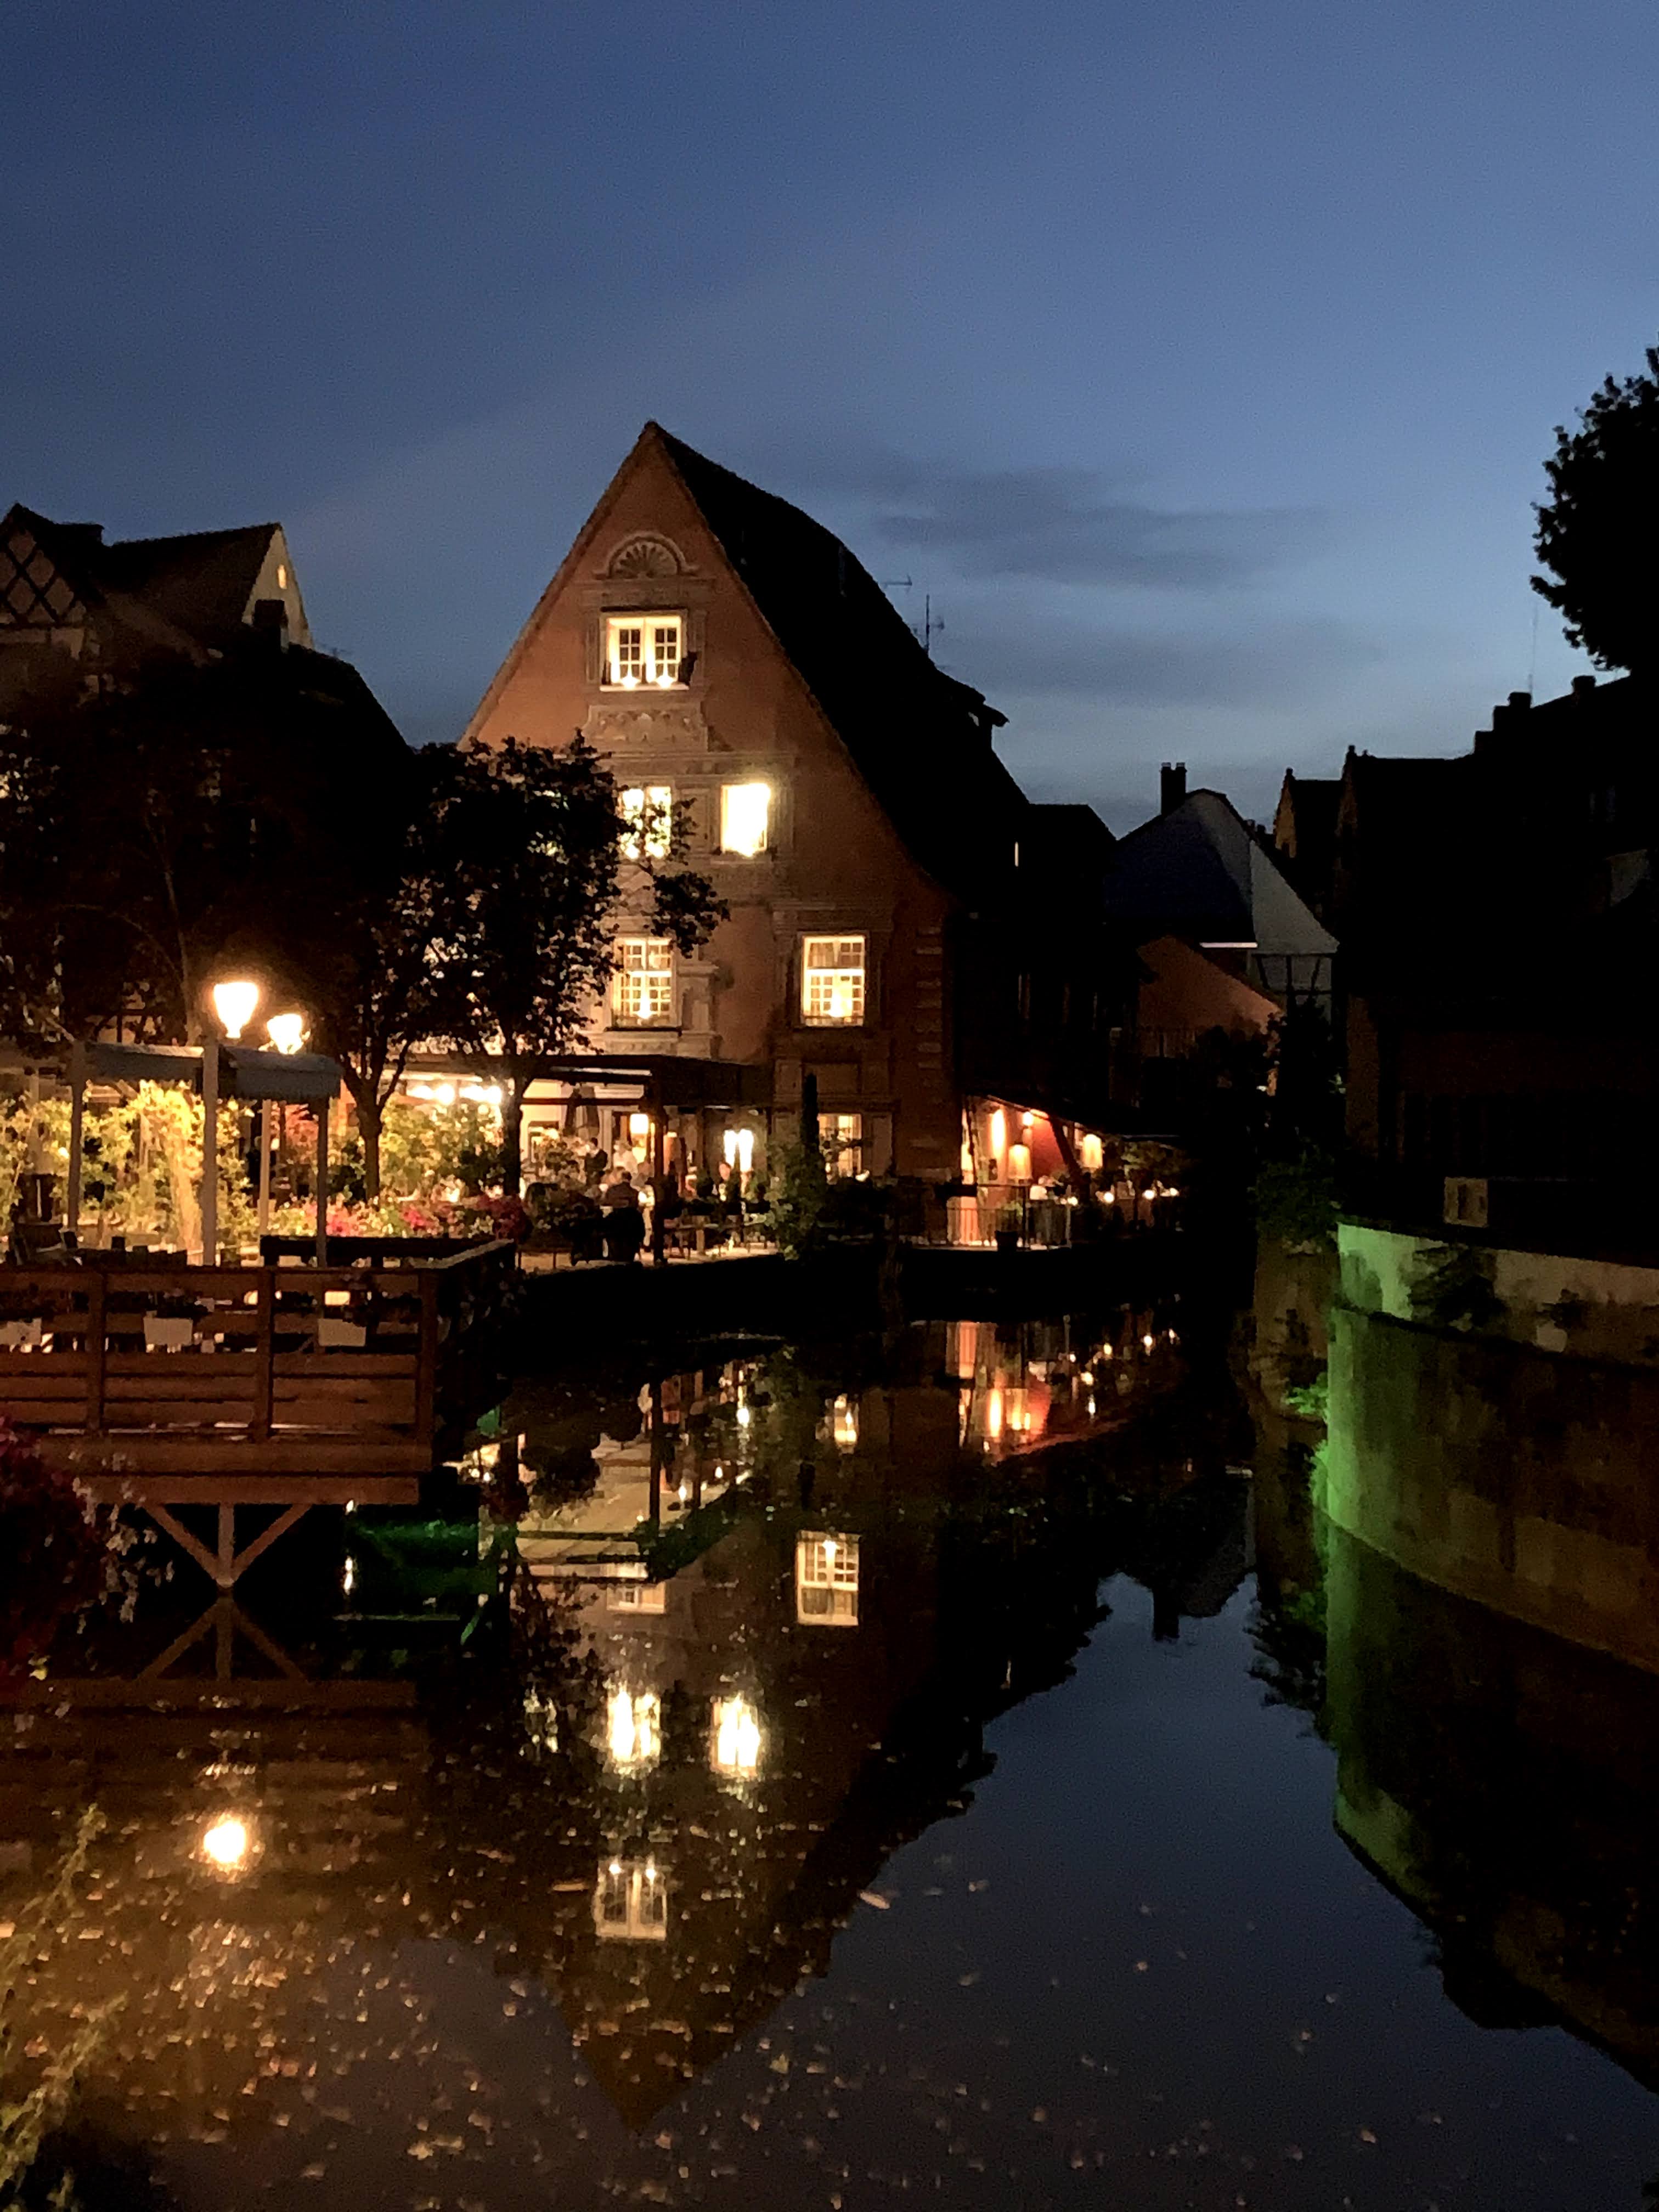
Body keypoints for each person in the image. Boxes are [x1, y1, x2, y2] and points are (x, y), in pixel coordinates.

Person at [600, 1172, 645, 1263]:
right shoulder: (634, 1192)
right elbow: (636, 1205)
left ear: (621, 1178)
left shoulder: (613, 1190)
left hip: (616, 1217)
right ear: (630, 1179)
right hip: (631, 1219)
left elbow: (605, 1202)